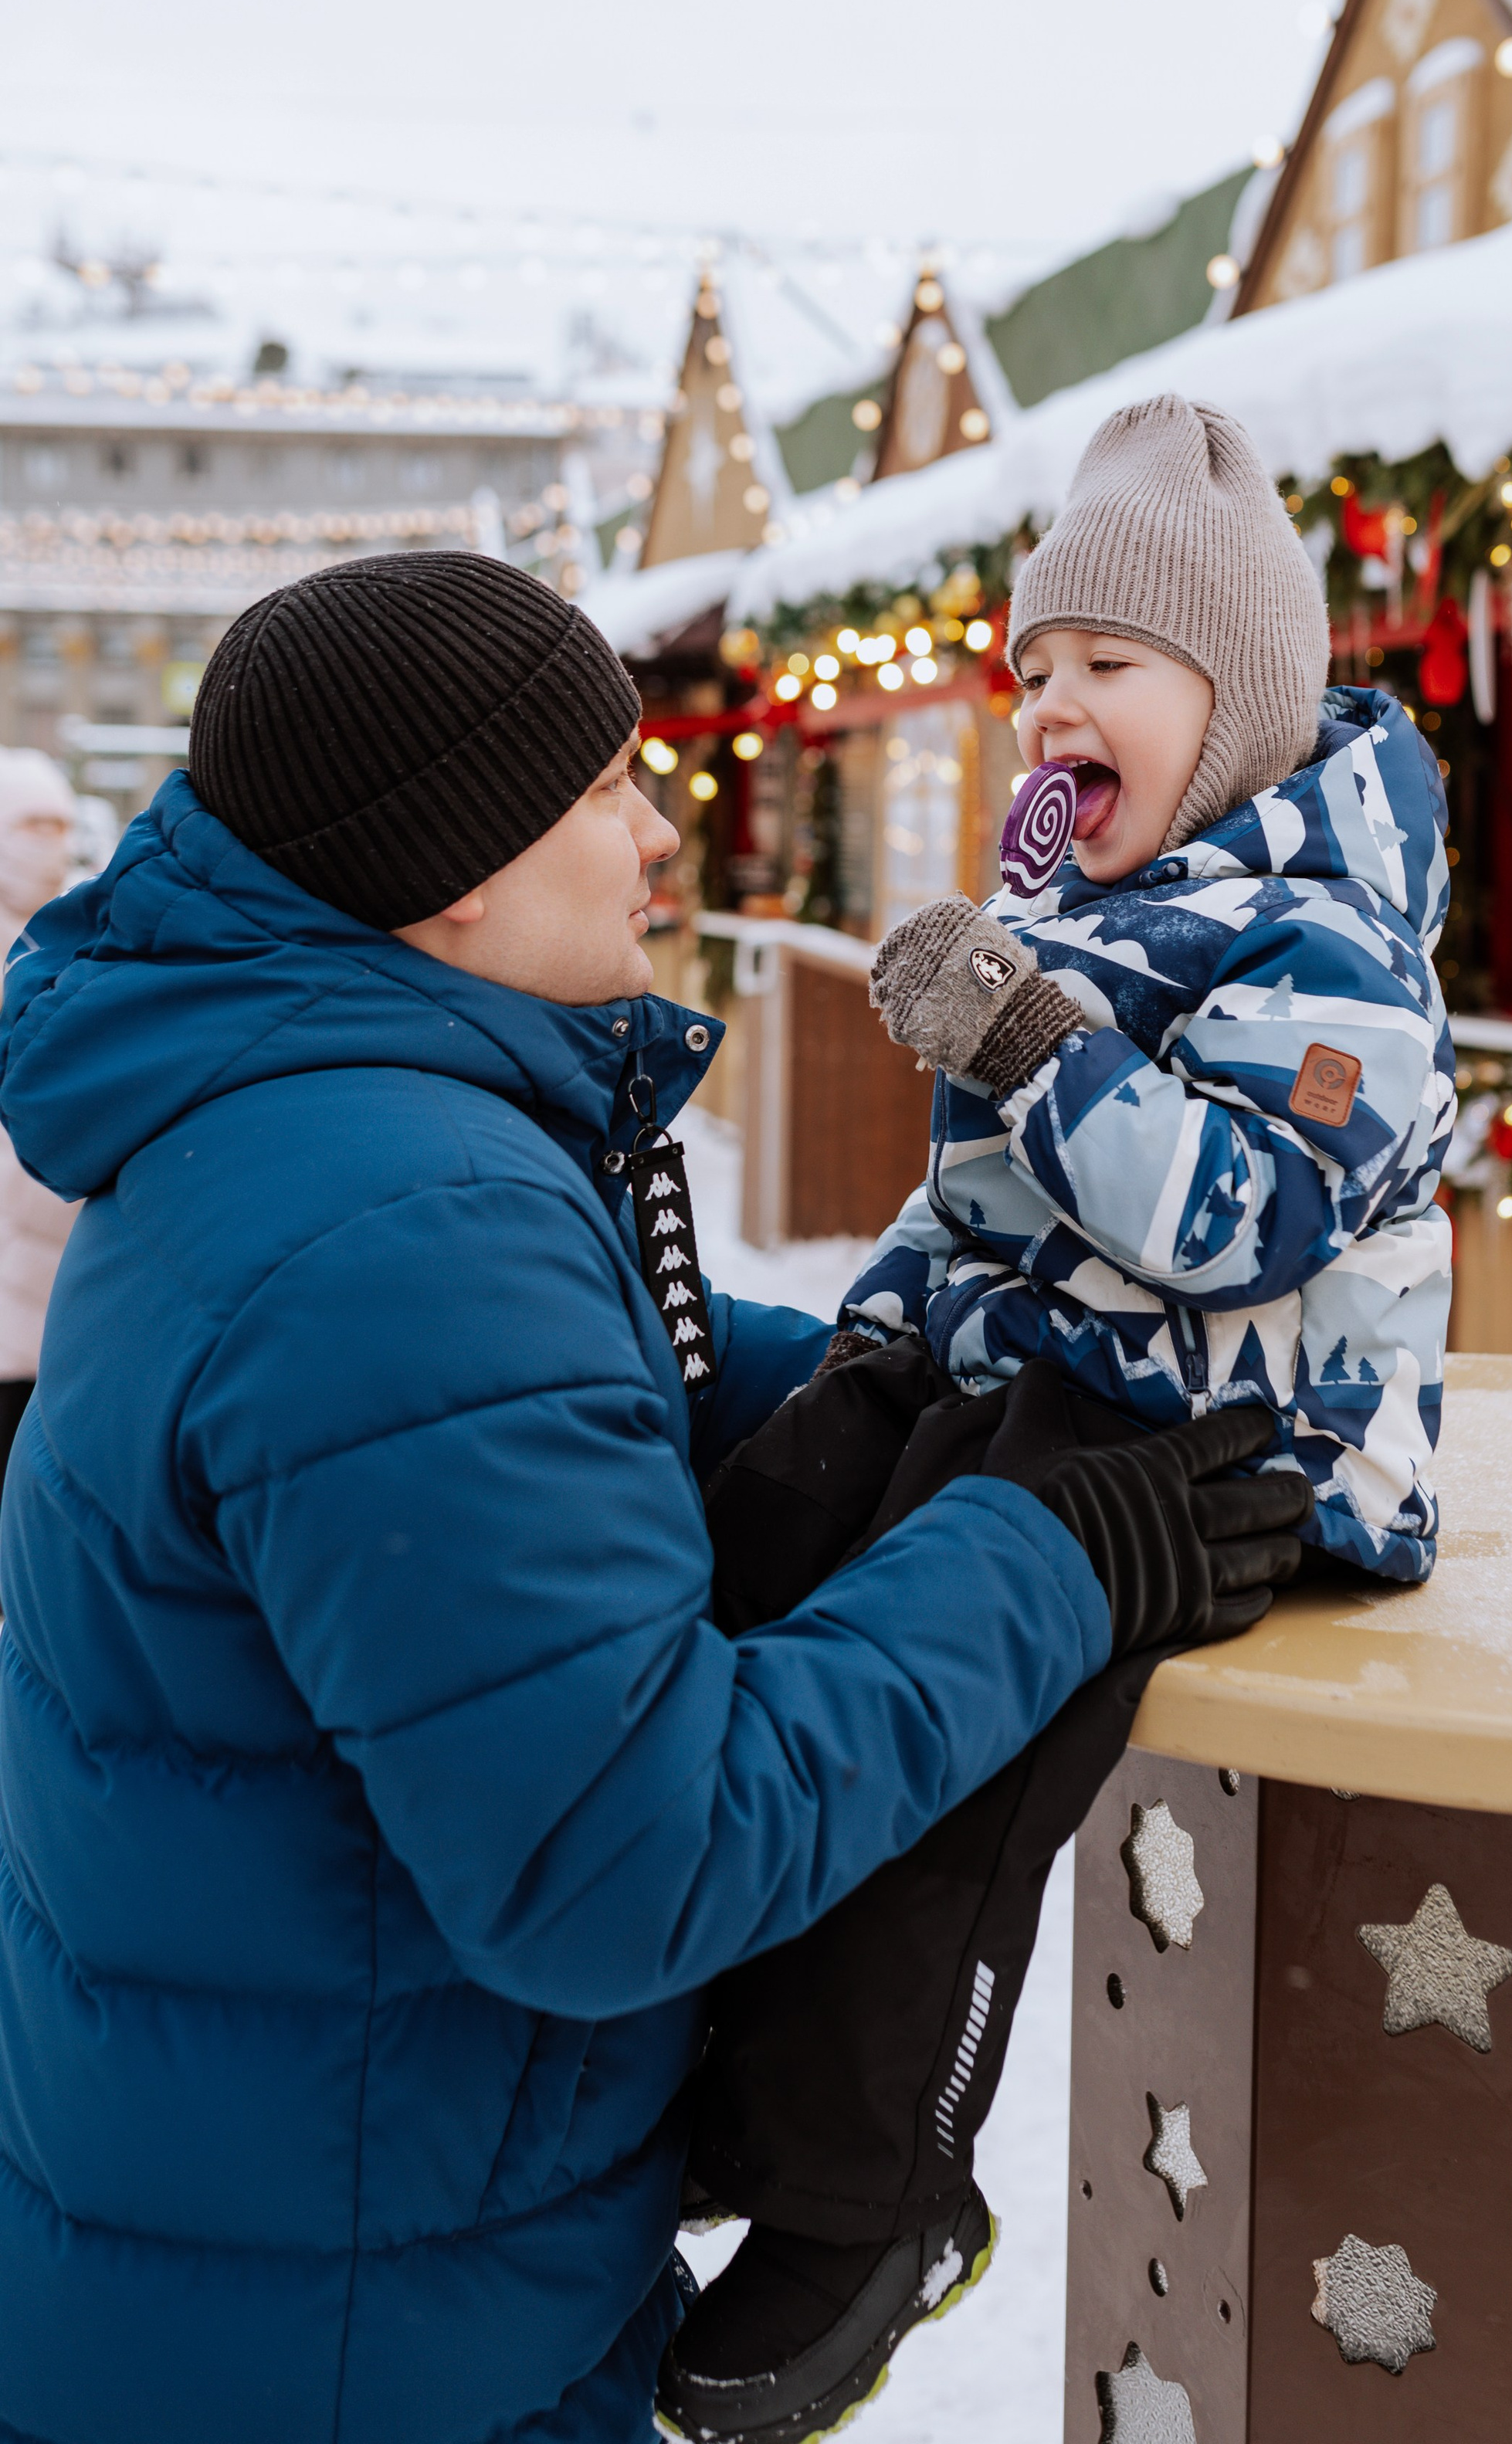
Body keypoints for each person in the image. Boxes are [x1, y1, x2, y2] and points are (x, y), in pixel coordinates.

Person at [0, 550, 1304, 2444]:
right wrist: (1049, 1554)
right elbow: (624, 1854)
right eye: (608, 782)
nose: (658, 822)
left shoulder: (312, 1112)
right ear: (456, 862)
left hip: (272, 2256)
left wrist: (908, 1370)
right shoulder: (404, 1227)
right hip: (366, 2351)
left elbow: (570, 1406)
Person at [658, 394, 1453, 2442]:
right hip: (1067, 1384)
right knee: (779, 1527)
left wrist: (1026, 1040)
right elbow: (984, 1204)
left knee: (964, 1735)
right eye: (1033, 670)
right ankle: (715, 2082)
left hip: (1239, 1440)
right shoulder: (1105, 920)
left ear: (1245, 699)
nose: (1047, 707)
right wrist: (880, 1348)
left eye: (1107, 665)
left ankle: (880, 2186)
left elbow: (1235, 1216)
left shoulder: (1329, 944)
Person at [0, 747, 82, 1517]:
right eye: (31, 823)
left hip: (57, 1290)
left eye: (60, 823)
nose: (48, 841)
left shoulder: (78, 943)